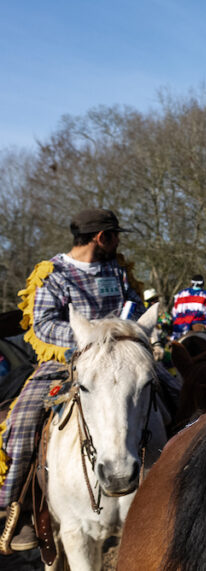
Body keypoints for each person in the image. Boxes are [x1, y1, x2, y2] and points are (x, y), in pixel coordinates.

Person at [0, 210, 153, 550]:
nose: (119, 242)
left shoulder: (119, 271)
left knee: (182, 394)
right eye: (116, 236)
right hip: (67, 361)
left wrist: (127, 332)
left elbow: (136, 307)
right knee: (21, 421)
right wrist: (92, 338)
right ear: (102, 237)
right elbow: (43, 325)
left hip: (123, 360)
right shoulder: (52, 274)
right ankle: (19, 508)